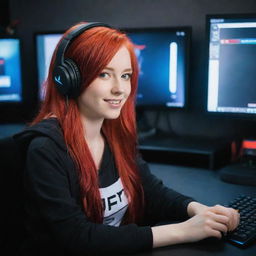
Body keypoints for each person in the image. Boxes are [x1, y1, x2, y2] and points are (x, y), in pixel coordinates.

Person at [14, 22, 240, 256]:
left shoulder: (114, 134)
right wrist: (184, 231)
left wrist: (200, 211)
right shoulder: (45, 150)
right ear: (68, 78)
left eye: (126, 76)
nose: (120, 89)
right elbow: (77, 237)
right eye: (104, 74)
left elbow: (150, 191)